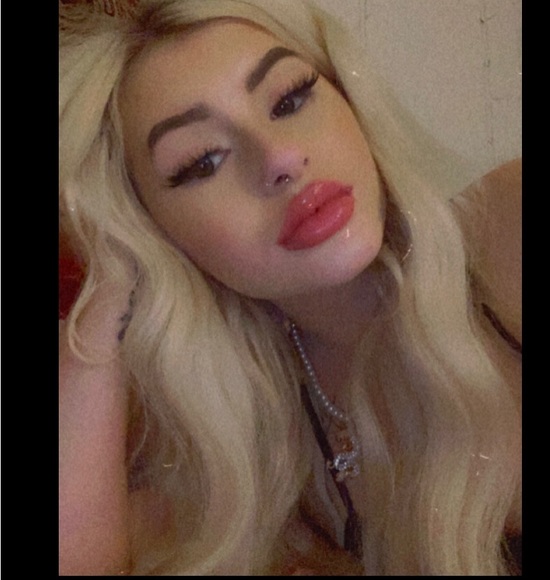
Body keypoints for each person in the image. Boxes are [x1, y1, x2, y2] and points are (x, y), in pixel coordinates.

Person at [58, 0, 522, 575]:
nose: (279, 157)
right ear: (153, 232)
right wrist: (108, 284)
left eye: (290, 98)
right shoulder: (251, 448)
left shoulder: (506, 227)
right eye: (202, 161)